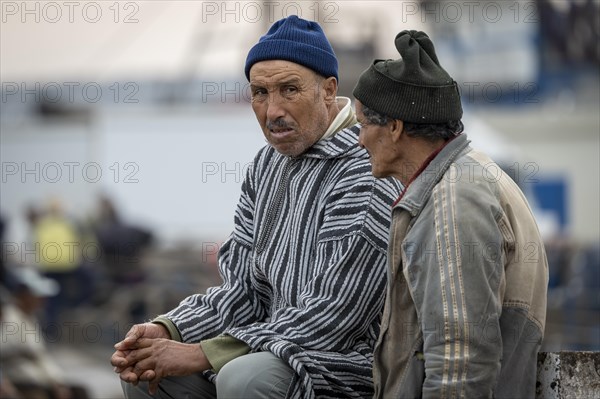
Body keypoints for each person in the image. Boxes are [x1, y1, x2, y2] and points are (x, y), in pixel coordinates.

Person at [111, 15, 401, 399]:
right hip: (265, 347)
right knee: (148, 370)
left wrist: (204, 352)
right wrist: (170, 330)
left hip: (346, 364)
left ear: (328, 90)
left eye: (289, 90)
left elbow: (336, 314)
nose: (272, 110)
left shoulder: (364, 168)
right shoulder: (267, 165)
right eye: (260, 93)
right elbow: (244, 290)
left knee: (243, 378)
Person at [352, 30, 549, 398]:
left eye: (364, 124)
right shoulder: (463, 177)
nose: (359, 140)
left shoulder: (453, 200)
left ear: (395, 128)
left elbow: (460, 365)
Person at [0, 267, 90, 399]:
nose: (42, 299)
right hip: (21, 381)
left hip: (39, 380)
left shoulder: (31, 317)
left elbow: (41, 356)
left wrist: (57, 382)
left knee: (79, 392)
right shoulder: (8, 316)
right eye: (37, 295)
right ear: (24, 295)